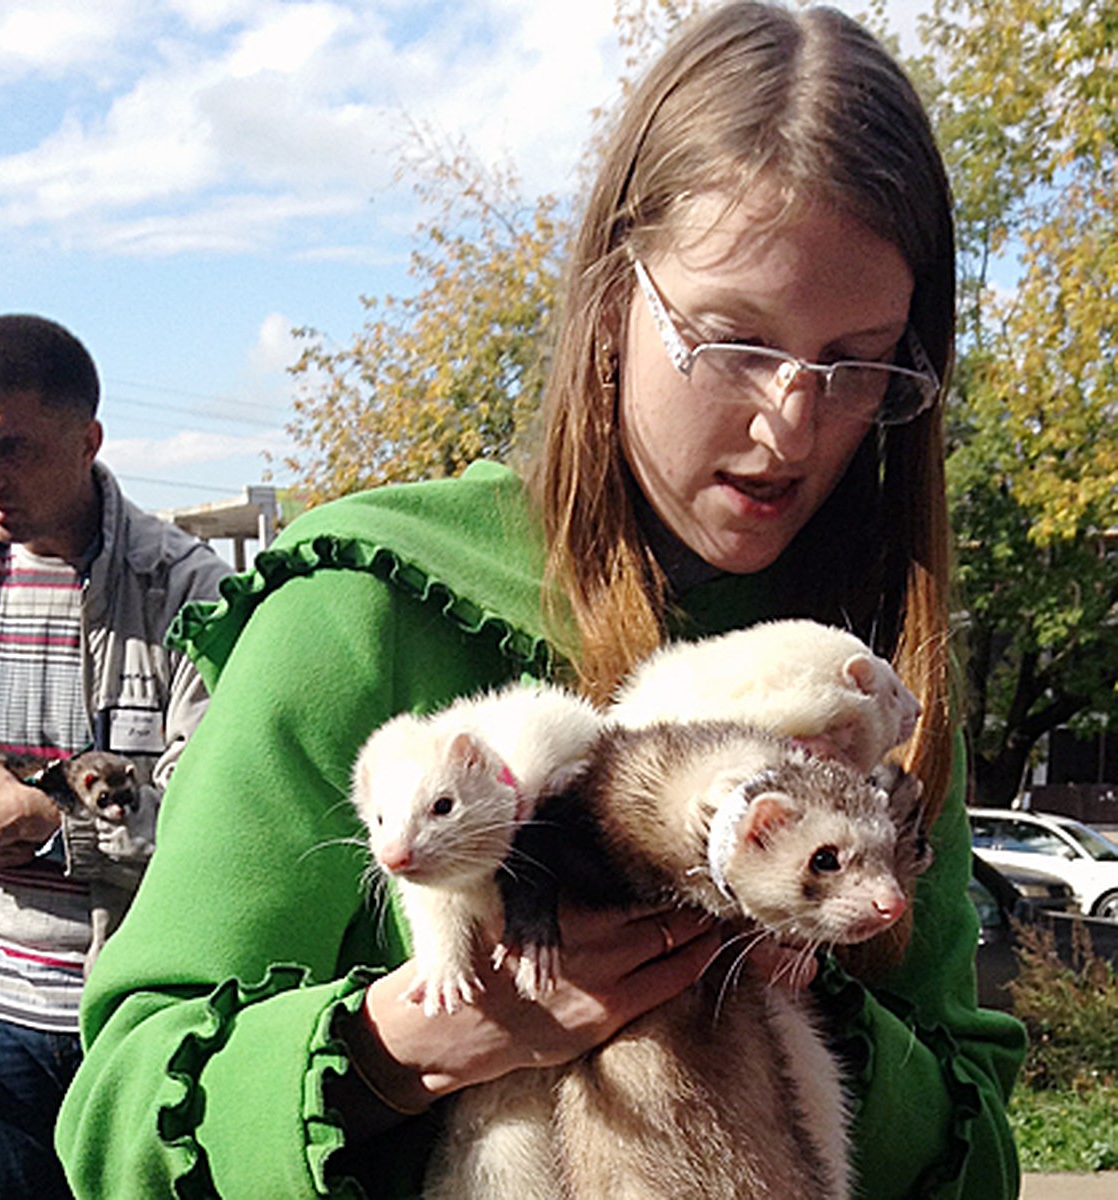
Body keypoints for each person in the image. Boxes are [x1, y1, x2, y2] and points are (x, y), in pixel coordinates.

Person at [55, 4, 1027, 1197]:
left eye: (856, 362)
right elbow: (117, 1122)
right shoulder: (362, 610)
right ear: (613, 303)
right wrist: (408, 1047)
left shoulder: (865, 692)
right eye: (731, 339)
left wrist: (805, 956)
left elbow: (978, 1145)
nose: (792, 423)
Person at [0, 314, 229, 1199]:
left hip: (138, 1024)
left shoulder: (187, 593)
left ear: (88, 439)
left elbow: (214, 825)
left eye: (12, 447)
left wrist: (51, 828)